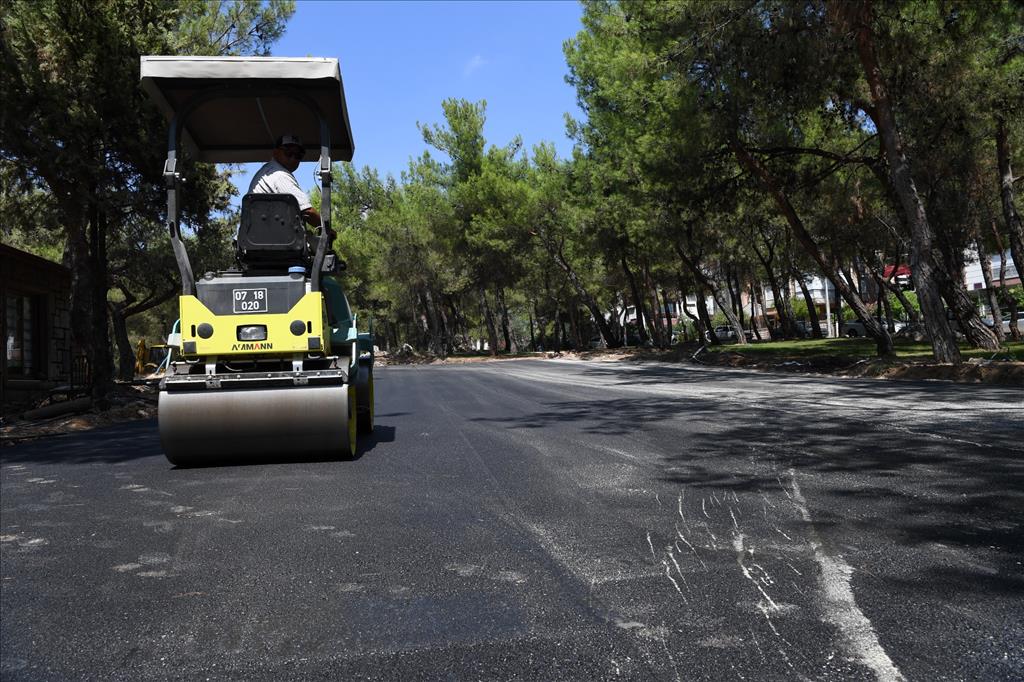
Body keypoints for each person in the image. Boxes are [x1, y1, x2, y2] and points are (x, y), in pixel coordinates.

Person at [247, 134, 322, 229]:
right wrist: (327, 230)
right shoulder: (278, 174)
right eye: (288, 153)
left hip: (260, 233)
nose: (293, 158)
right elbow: (308, 212)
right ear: (275, 153)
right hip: (268, 235)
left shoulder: (269, 170)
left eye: (298, 155)